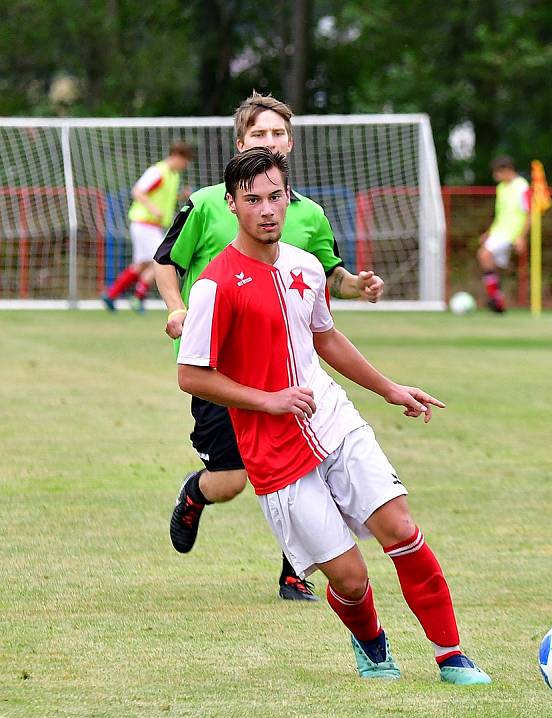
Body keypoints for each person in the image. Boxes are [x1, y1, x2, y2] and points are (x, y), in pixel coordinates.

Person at [177, 146, 491, 685]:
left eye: (276, 196)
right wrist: (268, 399)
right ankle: (372, 646)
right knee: (348, 578)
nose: (267, 210)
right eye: (253, 200)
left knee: (402, 529)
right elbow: (192, 375)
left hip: (333, 421)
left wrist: (388, 388)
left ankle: (452, 656)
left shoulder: (304, 265)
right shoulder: (214, 285)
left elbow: (325, 337)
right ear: (231, 205)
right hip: (273, 453)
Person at [154, 93, 384, 602]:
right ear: (241, 144)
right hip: (224, 370)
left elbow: (329, 277)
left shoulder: (308, 214)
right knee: (232, 479)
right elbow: (166, 261)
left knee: (306, 461)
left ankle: (294, 572)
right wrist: (175, 307)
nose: (270, 141)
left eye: (278, 134)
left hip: (289, 368)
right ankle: (196, 493)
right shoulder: (209, 203)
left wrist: (357, 286)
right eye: (259, 135)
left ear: (291, 142)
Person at [102, 141, 193, 312]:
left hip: (153, 226)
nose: (185, 165)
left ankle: (111, 295)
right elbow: (137, 191)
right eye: (185, 161)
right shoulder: (157, 171)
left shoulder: (173, 175)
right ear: (176, 156)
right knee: (160, 261)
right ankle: (137, 297)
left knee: (141, 265)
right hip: (144, 223)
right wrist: (153, 209)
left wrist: (182, 196)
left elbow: (164, 198)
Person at [477, 155, 530, 313]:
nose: (496, 177)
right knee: (494, 265)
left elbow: (529, 213)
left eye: (497, 173)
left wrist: (522, 236)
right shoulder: (501, 188)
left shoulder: (522, 186)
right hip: (499, 231)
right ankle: (498, 300)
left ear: (507, 170)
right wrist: (489, 232)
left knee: (484, 255)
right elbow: (500, 214)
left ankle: (496, 298)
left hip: (511, 233)